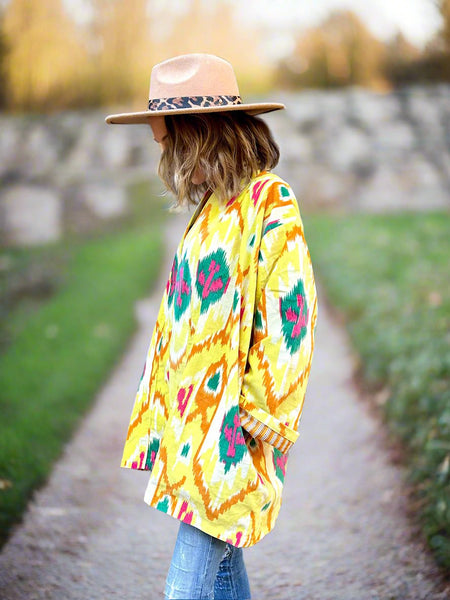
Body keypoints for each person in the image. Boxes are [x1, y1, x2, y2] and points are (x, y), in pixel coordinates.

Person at [106, 53, 318, 600]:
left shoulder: (270, 202)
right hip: (191, 422)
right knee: (219, 572)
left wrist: (258, 418)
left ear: (198, 135)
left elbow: (290, 318)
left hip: (230, 430)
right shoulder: (212, 209)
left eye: (166, 143)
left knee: (187, 587)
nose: (164, 159)